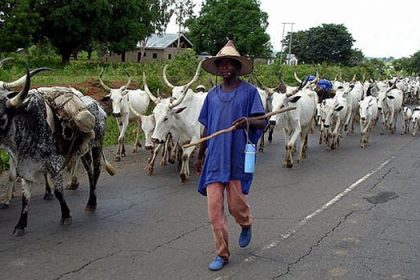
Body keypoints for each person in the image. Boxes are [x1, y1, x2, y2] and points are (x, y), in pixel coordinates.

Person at [194, 40, 266, 271]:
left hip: (236, 157)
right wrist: (200, 154)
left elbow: (262, 120)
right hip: (214, 158)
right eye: (221, 64)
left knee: (236, 206)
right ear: (217, 69)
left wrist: (247, 120)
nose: (225, 68)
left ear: (237, 67)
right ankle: (222, 254)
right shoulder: (212, 96)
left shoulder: (249, 92)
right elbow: (207, 127)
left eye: (229, 64)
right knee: (215, 211)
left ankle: (246, 224)